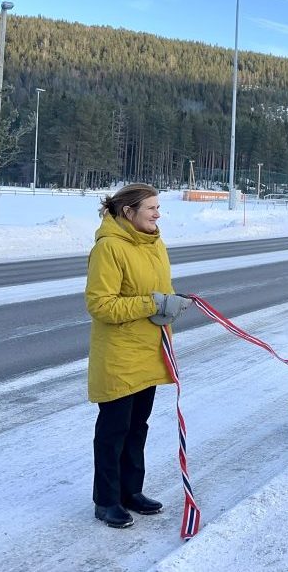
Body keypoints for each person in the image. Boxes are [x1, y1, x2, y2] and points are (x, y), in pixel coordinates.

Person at [86, 183, 192, 529]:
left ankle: (132, 491)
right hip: (120, 355)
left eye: (158, 208)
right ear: (128, 212)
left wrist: (170, 303)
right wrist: (154, 303)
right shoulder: (109, 248)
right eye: (151, 208)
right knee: (113, 429)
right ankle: (107, 500)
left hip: (150, 349)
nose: (158, 214)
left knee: (137, 427)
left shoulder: (155, 243)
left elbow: (158, 289)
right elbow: (100, 304)